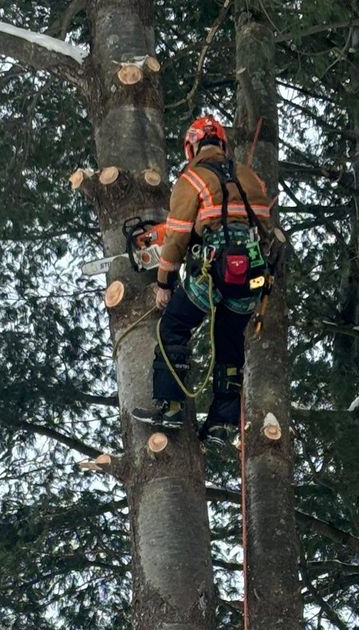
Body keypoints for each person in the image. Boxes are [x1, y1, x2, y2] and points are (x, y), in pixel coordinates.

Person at [132, 115, 272, 445]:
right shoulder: (251, 178)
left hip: (212, 273)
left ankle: (170, 407)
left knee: (174, 326)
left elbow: (176, 240)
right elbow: (263, 231)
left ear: (192, 147)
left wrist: (164, 283)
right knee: (229, 340)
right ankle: (222, 424)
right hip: (252, 275)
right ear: (222, 143)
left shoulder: (191, 179)